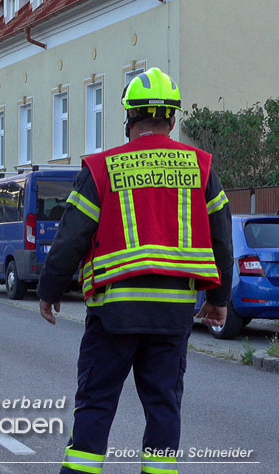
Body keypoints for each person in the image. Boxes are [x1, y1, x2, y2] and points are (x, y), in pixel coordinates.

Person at [36, 67, 233, 474]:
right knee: (163, 409)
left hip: (114, 314)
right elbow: (222, 239)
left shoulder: (101, 169)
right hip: (172, 315)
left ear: (129, 119)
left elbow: (71, 237)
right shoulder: (201, 167)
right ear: (173, 120)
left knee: (95, 405)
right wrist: (219, 300)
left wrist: (49, 289)